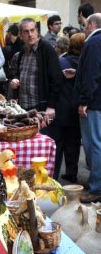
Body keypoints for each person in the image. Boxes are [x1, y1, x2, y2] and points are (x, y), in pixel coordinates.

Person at [47, 33, 85, 181]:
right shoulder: (84, 64)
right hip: (77, 110)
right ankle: (71, 173)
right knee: (73, 145)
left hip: (60, 109)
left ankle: (54, 176)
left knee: (57, 144)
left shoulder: (61, 62)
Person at [10, 18, 62, 121]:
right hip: (23, 107)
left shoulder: (47, 49)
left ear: (37, 31)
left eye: (32, 30)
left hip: (41, 107)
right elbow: (18, 73)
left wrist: (51, 106)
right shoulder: (21, 53)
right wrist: (15, 81)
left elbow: (56, 79)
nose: (30, 34)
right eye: (26, 31)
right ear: (20, 35)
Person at [74, 13, 101, 203]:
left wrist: (84, 101)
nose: (83, 29)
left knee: (95, 146)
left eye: (84, 25)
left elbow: (92, 75)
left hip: (94, 103)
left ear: (91, 24)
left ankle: (96, 188)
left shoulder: (93, 43)